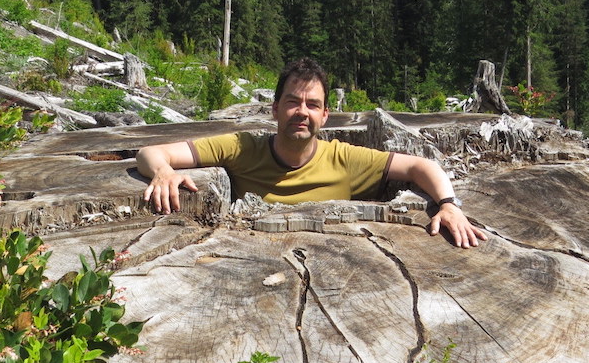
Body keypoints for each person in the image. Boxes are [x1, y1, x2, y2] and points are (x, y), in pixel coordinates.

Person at [137, 58, 487, 248]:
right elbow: (150, 151)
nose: (301, 111)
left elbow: (420, 166)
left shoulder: (344, 159)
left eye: (312, 104)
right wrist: (163, 171)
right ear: (275, 110)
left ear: (324, 115)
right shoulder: (241, 147)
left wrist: (449, 205)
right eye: (292, 102)